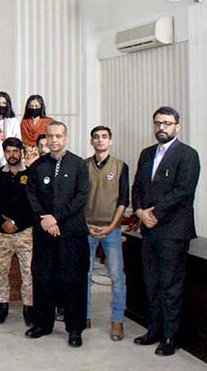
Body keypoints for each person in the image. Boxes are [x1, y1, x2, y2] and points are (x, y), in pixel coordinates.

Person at [131, 106, 200, 357]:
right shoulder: (147, 153)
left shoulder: (188, 155)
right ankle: (154, 330)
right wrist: (139, 211)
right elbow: (138, 185)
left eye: (167, 123)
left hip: (173, 231)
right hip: (148, 230)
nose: (162, 127)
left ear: (177, 127)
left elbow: (183, 191)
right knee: (152, 283)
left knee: (170, 285)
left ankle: (171, 337)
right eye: (158, 123)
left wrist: (154, 214)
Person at [25, 121, 90, 348]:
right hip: (44, 233)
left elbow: (81, 197)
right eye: (50, 136)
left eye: (59, 136)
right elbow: (31, 196)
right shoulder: (38, 166)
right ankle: (43, 324)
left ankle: (74, 329)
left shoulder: (79, 165)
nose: (54, 140)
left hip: (71, 233)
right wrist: (45, 218)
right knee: (42, 278)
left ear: (66, 138)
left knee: (73, 281)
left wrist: (56, 218)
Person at [84, 126, 129, 340]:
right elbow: (78, 198)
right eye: (96, 137)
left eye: (104, 137)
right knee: (85, 275)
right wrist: (86, 225)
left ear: (110, 141)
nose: (100, 141)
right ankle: (85, 316)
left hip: (111, 229)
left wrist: (112, 226)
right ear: (91, 142)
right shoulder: (83, 166)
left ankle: (117, 321)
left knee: (116, 276)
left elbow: (123, 200)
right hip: (87, 228)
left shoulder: (120, 166)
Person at [0, 137, 34, 327]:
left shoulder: (32, 174)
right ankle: (2, 306)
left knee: (28, 272)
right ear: (4, 152)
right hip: (1, 233)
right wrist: (2, 222)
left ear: (21, 152)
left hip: (25, 232)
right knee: (0, 271)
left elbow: (35, 204)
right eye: (8, 151)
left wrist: (18, 222)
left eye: (16, 151)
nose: (12, 155)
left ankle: (29, 308)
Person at [0, 92, 21, 167]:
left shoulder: (13, 121)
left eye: (4, 103)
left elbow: (17, 139)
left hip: (9, 158)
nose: (1, 105)